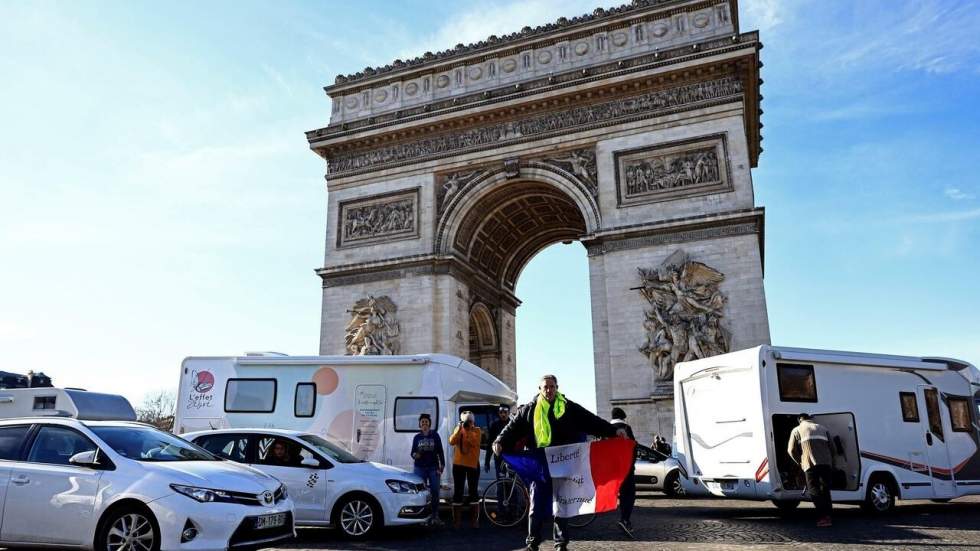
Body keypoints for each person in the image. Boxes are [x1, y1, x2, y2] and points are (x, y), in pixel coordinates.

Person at [493, 374, 628, 551]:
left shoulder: (568, 407)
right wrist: (499, 441)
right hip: (541, 463)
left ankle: (561, 544)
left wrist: (613, 431)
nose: (549, 390)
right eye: (545, 387)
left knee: (562, 504)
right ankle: (532, 542)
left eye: (552, 387)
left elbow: (590, 420)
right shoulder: (529, 409)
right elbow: (512, 427)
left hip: (563, 463)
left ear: (557, 388)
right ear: (539, 389)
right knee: (536, 503)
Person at [788, 413, 835, 527]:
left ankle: (822, 518)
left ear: (800, 420)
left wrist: (799, 461)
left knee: (814, 491)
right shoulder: (823, 428)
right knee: (825, 490)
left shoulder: (797, 430)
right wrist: (829, 460)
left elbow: (790, 450)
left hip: (810, 464)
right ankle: (828, 516)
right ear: (810, 419)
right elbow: (832, 448)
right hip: (826, 464)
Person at [449, 410, 482, 529]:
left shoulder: (477, 430)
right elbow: (452, 441)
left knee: (473, 492)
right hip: (458, 465)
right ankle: (457, 522)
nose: (469, 423)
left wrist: (468, 430)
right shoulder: (459, 429)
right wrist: (459, 429)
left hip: (473, 465)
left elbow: (474, 442)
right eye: (467, 421)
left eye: (471, 421)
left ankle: (474, 521)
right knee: (458, 492)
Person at [411, 413, 445, 526]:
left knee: (435, 492)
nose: (424, 424)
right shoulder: (417, 437)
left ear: (429, 424)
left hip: (433, 468)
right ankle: (423, 519)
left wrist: (442, 465)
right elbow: (412, 453)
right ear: (420, 425)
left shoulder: (435, 435)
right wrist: (416, 455)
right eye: (422, 422)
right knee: (421, 493)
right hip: (420, 468)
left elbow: (440, 451)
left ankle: (435, 516)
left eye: (426, 422)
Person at [610, 407, 637, 538]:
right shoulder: (626, 428)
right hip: (625, 468)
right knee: (629, 494)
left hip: (612, 469)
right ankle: (625, 519)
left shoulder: (607, 428)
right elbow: (634, 447)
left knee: (619, 493)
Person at [484, 404, 511, 477]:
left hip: (511, 456)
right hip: (499, 458)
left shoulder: (513, 424)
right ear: (498, 413)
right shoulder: (494, 425)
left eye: (505, 412)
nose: (503, 414)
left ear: (509, 413)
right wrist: (487, 461)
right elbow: (490, 443)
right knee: (501, 482)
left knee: (512, 482)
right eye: (501, 412)